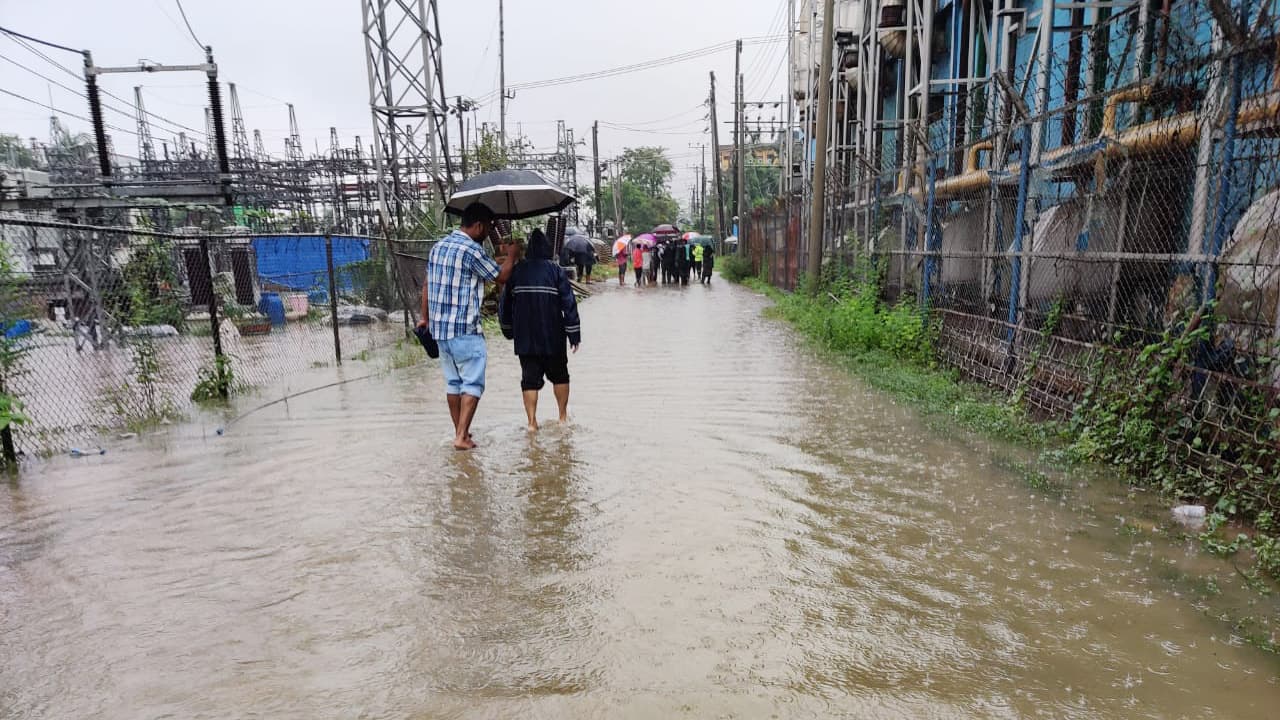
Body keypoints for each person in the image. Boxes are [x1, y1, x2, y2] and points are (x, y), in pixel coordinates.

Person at [418, 202, 518, 451]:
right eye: (487, 229)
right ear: (478, 226)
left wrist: (425, 318)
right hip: (465, 329)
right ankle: (462, 436)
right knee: (472, 383)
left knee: (453, 383)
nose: (486, 235)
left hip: (440, 331)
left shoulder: (439, 247)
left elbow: (427, 285)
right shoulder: (471, 250)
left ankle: (460, 432)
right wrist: (513, 255)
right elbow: (501, 276)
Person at [499, 229, 581, 432]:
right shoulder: (556, 271)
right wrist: (574, 334)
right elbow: (569, 303)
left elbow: (505, 304)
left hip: (525, 337)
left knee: (529, 379)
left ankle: (531, 423)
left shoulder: (516, 272)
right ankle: (562, 417)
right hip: (553, 335)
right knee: (560, 375)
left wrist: (508, 330)